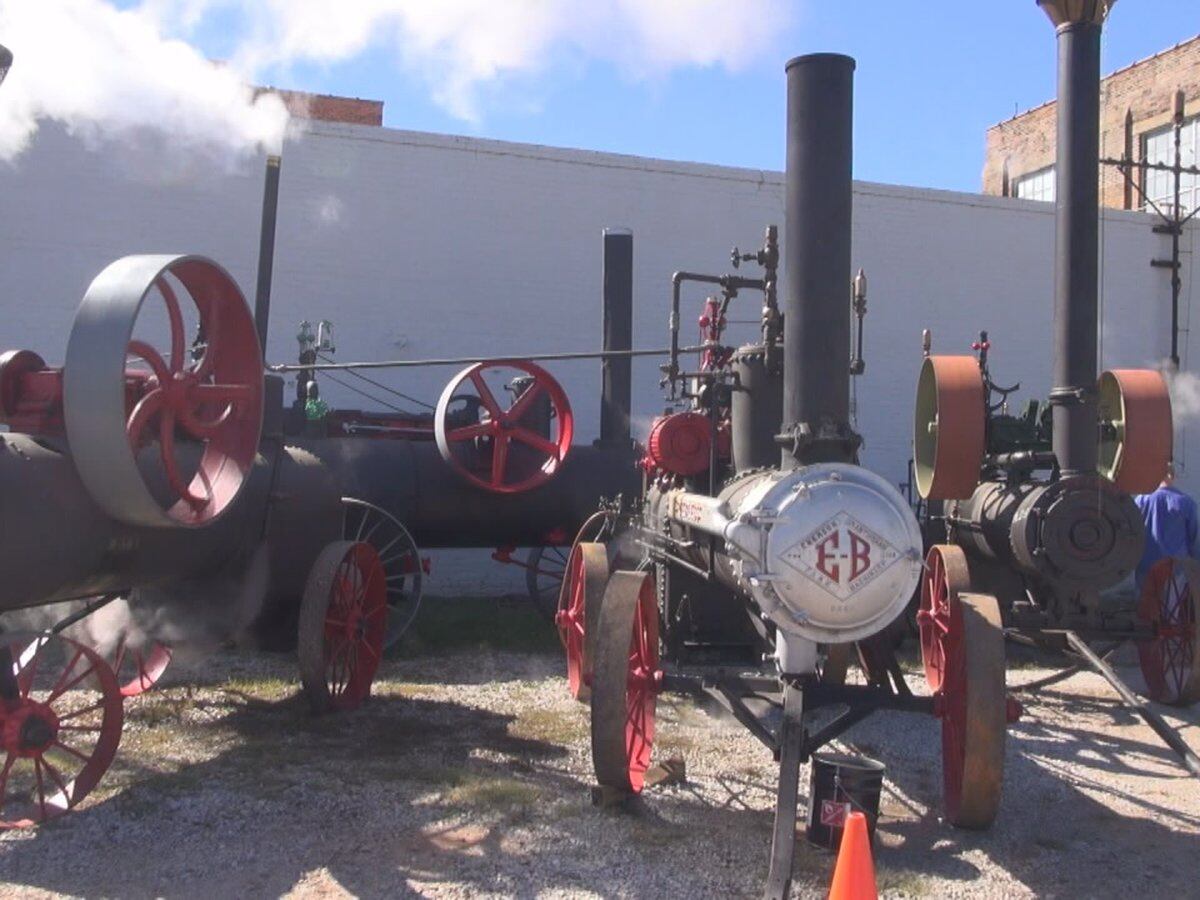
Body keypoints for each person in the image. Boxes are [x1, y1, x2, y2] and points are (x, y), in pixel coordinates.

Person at [1133, 463, 1198, 590]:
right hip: (1175, 567)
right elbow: (1194, 538)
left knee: (1144, 604)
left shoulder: (1141, 500)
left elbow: (1133, 530)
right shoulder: (1185, 502)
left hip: (1145, 563)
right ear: (1172, 476)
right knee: (1169, 605)